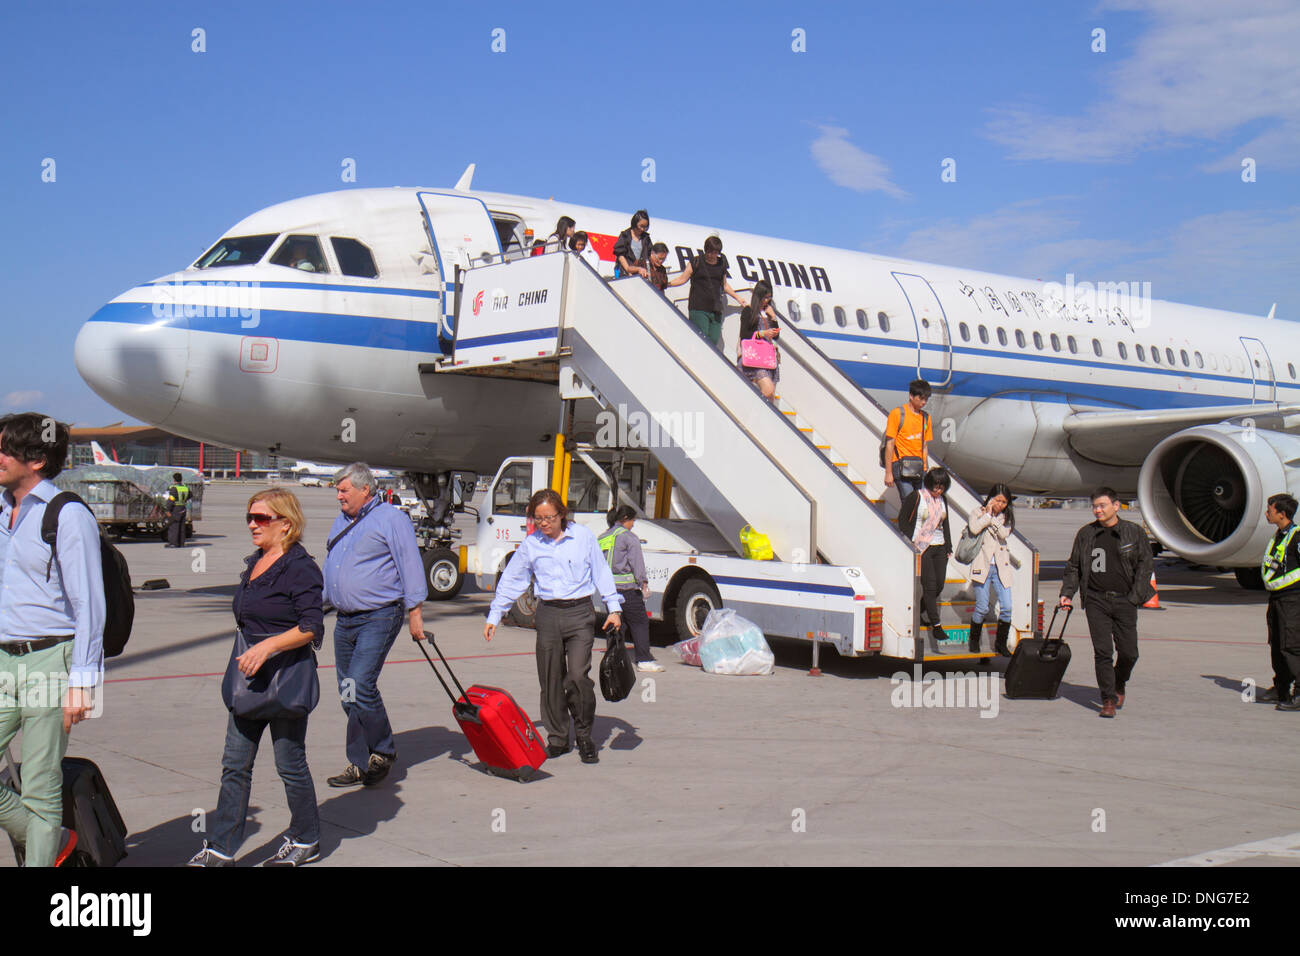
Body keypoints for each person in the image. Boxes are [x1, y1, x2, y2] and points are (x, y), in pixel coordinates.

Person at [187, 487, 323, 866]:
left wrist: (267, 647)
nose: (252, 524)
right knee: (234, 764)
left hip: (285, 678)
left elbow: (312, 626)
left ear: (285, 523)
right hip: (249, 681)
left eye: (261, 518)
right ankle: (221, 848)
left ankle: (307, 838)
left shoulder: (300, 567)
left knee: (290, 765)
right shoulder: (255, 562)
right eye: (250, 516)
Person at [0, 413, 103, 867]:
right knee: (39, 809)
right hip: (3, 660)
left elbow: (89, 605)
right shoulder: (2, 508)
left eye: (6, 449)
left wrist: (82, 681)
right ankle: (55, 838)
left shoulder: (68, 513)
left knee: (40, 785)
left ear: (37, 459)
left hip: (50, 660)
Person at [484, 489, 622, 764]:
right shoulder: (532, 545)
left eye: (549, 518)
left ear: (562, 514)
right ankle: (557, 737)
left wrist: (613, 608)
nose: (544, 524)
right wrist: (494, 615)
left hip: (580, 613)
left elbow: (601, 571)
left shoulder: (583, 537)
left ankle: (584, 735)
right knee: (550, 679)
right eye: (538, 519)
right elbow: (513, 579)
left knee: (577, 677)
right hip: (548, 614)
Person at [322, 463, 426, 787]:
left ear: (365, 490)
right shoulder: (342, 521)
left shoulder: (392, 519)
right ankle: (360, 762)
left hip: (379, 615)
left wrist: (415, 611)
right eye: (338, 490)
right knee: (348, 692)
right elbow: (334, 569)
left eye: (344, 490)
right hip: (345, 619)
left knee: (360, 684)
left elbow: (410, 563)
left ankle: (382, 751)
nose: (339, 495)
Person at [1059, 487, 1155, 718]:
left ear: (1116, 505)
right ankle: (1108, 699)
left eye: (1102, 505)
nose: (1098, 510)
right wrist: (1067, 593)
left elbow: (1145, 565)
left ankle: (1119, 681)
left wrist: (1135, 596)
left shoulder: (1133, 533)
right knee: (1103, 652)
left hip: (1125, 600)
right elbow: (1074, 566)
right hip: (1096, 600)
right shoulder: (1086, 534)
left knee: (1129, 653)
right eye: (1095, 506)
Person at [600, 506, 662, 672]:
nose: (633, 524)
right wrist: (643, 583)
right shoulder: (629, 538)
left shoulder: (603, 537)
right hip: (627, 589)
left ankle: (614, 659)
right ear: (625, 518)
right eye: (632, 520)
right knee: (639, 622)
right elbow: (637, 563)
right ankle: (644, 659)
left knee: (616, 624)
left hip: (609, 590)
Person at [898, 467, 952, 644]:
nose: (938, 490)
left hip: (940, 546)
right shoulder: (917, 496)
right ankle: (936, 625)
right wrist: (913, 541)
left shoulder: (942, 500)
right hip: (923, 546)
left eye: (942, 486)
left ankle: (919, 611)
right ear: (929, 483)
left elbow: (946, 525)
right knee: (929, 586)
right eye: (936, 486)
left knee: (939, 586)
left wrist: (948, 546)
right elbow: (903, 520)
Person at [666, 235, 746, 348]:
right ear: (706, 250)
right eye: (710, 252)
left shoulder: (721, 264)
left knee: (713, 340)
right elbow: (682, 279)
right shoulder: (696, 262)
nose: (713, 255)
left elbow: (724, 285)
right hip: (698, 308)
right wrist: (667, 284)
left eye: (716, 253)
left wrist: (738, 298)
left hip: (715, 309)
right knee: (701, 338)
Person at [967, 484, 1016, 655]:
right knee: (982, 607)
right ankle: (974, 640)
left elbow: (1003, 534)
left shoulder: (1006, 517)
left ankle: (1000, 644)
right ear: (990, 498)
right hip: (982, 565)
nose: (1000, 504)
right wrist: (987, 514)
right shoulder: (977, 512)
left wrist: (991, 519)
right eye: (997, 500)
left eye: (1004, 502)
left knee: (1007, 607)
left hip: (1001, 567)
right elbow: (974, 528)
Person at [1261, 493, 1300, 708]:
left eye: (1270, 511)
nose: (1267, 514)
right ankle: (1282, 687)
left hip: (1293, 599)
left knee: (1292, 645)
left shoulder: (1297, 537)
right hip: (1277, 597)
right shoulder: (1278, 536)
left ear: (1282, 514)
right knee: (1276, 643)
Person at [884, 379, 933, 505]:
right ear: (911, 396)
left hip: (919, 467)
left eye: (926, 399)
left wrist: (925, 468)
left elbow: (925, 445)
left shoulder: (926, 418)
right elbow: (890, 444)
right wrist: (888, 473)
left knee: (921, 503)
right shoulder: (897, 414)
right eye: (921, 398)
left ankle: (909, 524)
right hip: (900, 466)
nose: (924, 402)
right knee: (909, 502)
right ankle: (906, 524)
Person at [737, 281, 780, 402]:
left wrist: (773, 318)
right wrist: (762, 333)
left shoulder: (768, 313)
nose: (767, 300)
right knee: (768, 390)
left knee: (770, 397)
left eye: (769, 297)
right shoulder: (749, 311)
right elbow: (744, 334)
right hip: (755, 360)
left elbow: (776, 337)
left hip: (768, 359)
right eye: (765, 297)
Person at [612, 210, 652, 279]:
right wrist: (628, 269)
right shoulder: (625, 236)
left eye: (645, 227)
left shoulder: (646, 238)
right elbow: (620, 255)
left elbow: (650, 255)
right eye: (641, 226)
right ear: (635, 223)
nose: (642, 229)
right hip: (625, 273)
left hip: (641, 274)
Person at [165, 471, 190, 548]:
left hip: (176, 509)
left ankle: (173, 543)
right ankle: (181, 543)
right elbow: (190, 495)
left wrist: (167, 510)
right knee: (182, 527)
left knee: (174, 526)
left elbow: (171, 500)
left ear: (174, 480)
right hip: (183, 508)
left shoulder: (174, 489)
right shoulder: (186, 488)